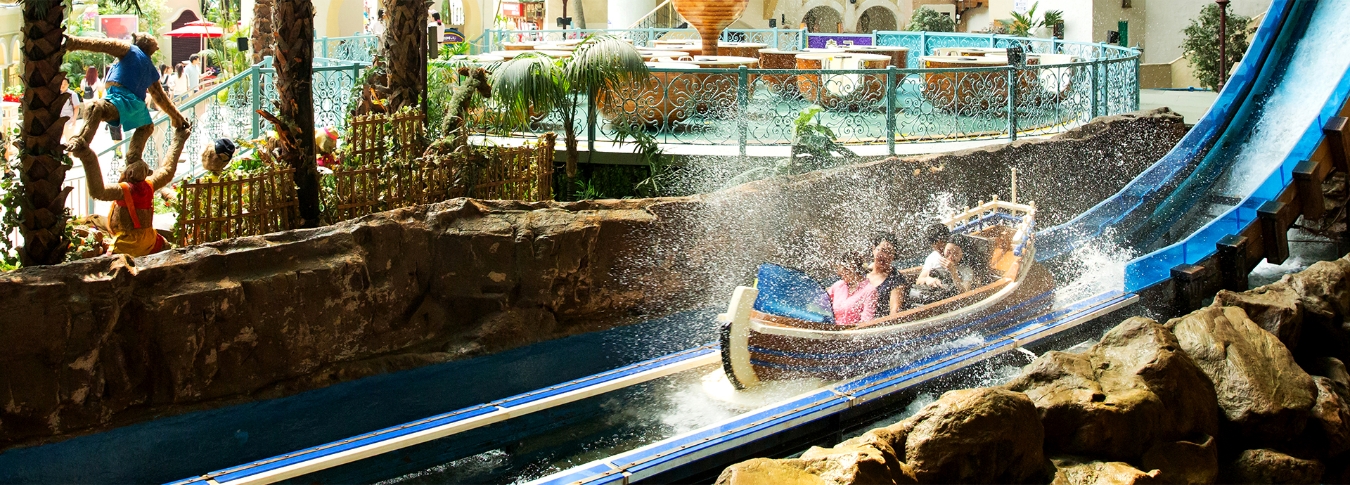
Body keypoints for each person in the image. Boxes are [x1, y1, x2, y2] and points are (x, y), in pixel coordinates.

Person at [913, 223, 966, 303]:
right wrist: (928, 279)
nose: (941, 250)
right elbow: (919, 281)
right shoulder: (933, 258)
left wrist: (953, 271)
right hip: (937, 297)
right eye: (937, 248)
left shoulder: (961, 260)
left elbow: (965, 293)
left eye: (943, 245)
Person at [826, 249, 877, 325]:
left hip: (854, 331)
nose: (839, 273)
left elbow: (867, 321)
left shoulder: (869, 291)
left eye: (842, 270)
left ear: (851, 268)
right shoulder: (838, 286)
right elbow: (821, 303)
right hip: (833, 329)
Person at [867, 231, 909, 317]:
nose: (885, 255)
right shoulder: (863, 274)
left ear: (893, 256)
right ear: (873, 249)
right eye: (882, 250)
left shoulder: (896, 279)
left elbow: (895, 311)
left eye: (889, 252)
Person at [59, 77, 81, 144]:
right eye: (61, 84)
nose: (63, 85)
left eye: (65, 84)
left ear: (68, 85)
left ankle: (70, 151)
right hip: (59, 121)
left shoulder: (72, 94)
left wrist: (74, 119)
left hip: (69, 121)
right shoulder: (56, 94)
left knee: (69, 140)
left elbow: (76, 107)